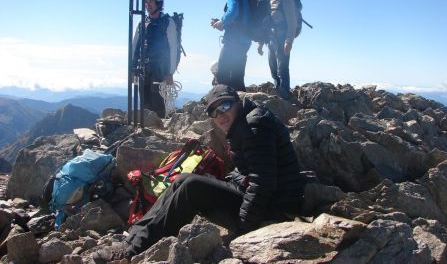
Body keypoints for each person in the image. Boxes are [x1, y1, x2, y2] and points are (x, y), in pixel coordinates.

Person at [93, 84, 303, 263]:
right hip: (266, 200)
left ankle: (130, 252)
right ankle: (134, 238)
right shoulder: (245, 121)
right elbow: (256, 171)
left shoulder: (253, 127)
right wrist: (234, 179)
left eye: (225, 105)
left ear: (238, 102)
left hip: (274, 210)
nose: (221, 115)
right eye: (214, 112)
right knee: (182, 179)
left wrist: (244, 226)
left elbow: (262, 182)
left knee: (192, 188)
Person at [132, 0, 178, 118]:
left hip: (160, 69)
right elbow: (135, 46)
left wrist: (170, 72)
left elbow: (173, 48)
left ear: (159, 3)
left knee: (157, 102)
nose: (147, 4)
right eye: (146, 1)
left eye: (151, 1)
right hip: (143, 69)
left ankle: (160, 129)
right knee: (144, 102)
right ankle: (148, 129)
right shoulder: (142, 22)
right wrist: (132, 68)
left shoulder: (168, 22)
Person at [258, 0, 300, 100]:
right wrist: (260, 43)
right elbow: (264, 22)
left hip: (282, 38)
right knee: (273, 67)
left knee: (282, 67)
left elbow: (292, 22)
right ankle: (278, 91)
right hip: (270, 38)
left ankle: (285, 95)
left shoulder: (286, 0)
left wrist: (289, 41)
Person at [210, 0, 251, 92]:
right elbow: (241, 19)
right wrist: (223, 22)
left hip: (233, 41)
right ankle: (242, 107)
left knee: (222, 74)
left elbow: (233, 12)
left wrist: (221, 22)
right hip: (245, 42)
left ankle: (225, 105)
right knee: (238, 78)